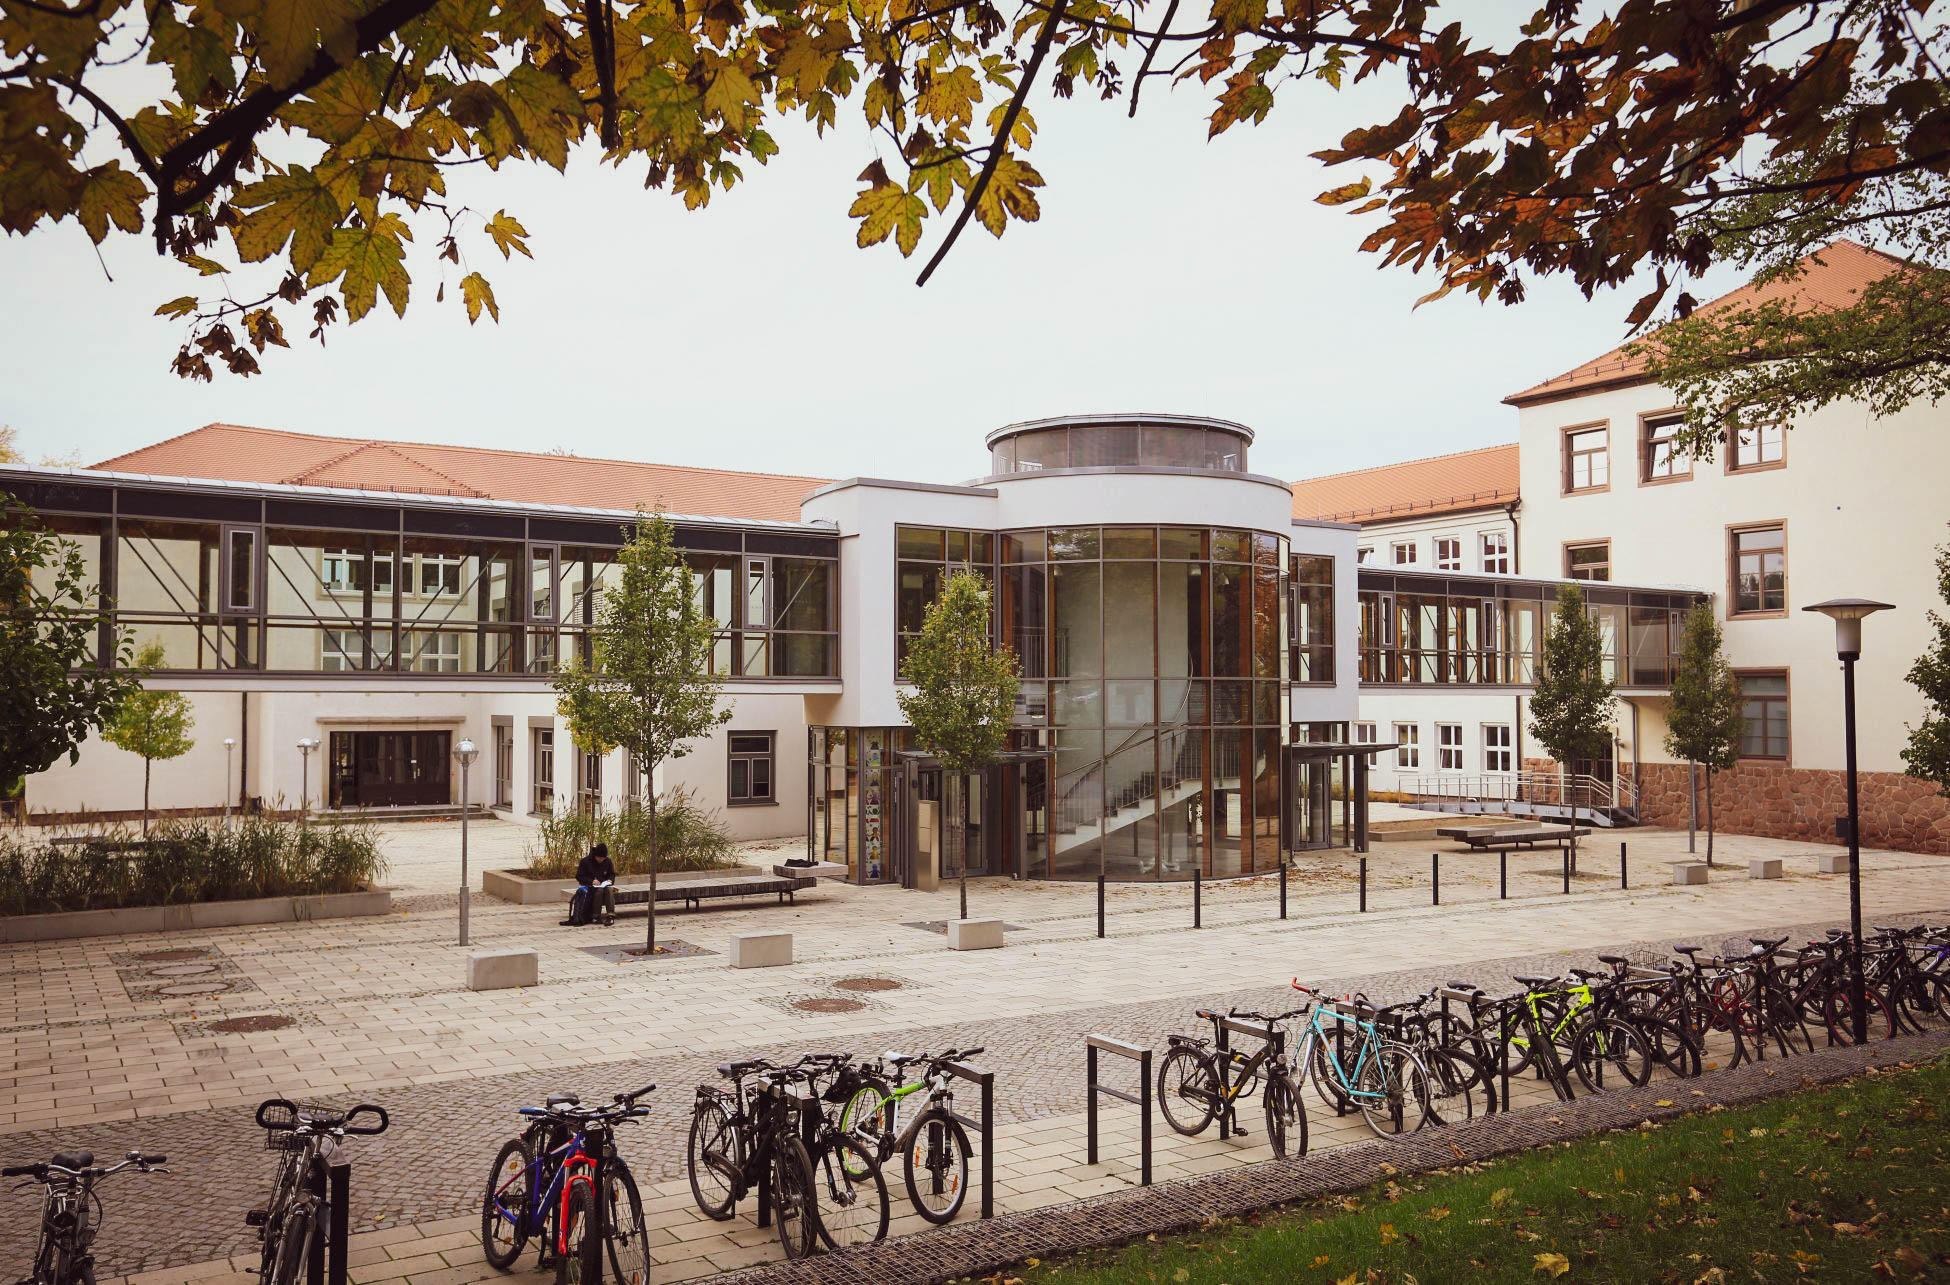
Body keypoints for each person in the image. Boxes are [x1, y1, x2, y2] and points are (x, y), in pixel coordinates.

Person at [576, 842, 617, 926]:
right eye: (599, 858)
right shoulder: (585, 861)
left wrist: (610, 880)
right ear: (595, 855)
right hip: (590, 886)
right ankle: (596, 916)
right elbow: (579, 876)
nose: (601, 860)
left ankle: (610, 916)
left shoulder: (608, 861)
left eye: (603, 858)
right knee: (599, 891)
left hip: (604, 885)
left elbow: (612, 874)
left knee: (609, 890)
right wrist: (591, 881)